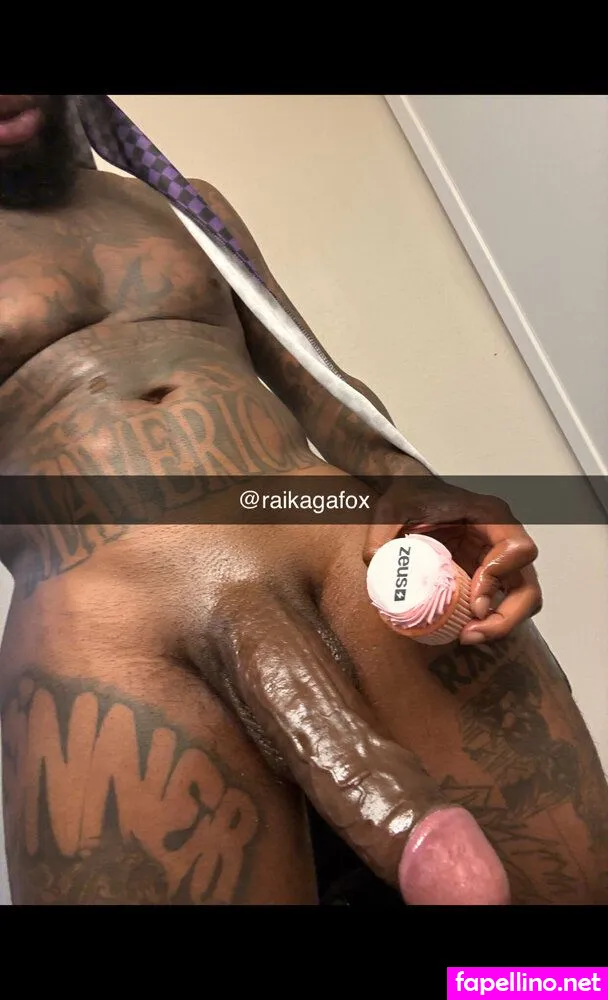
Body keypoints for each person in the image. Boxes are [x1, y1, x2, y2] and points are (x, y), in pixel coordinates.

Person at [0, 94, 606, 905]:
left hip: (338, 541)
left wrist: (414, 480)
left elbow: (319, 387)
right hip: (106, 617)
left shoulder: (184, 206)